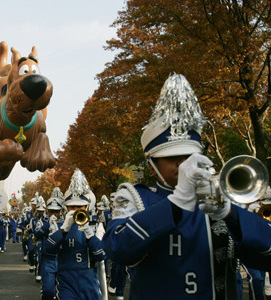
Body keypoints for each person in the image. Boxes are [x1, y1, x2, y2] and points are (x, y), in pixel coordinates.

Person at [102, 73, 271, 299]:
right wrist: (177, 202)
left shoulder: (219, 198)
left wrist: (230, 213)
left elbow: (265, 258)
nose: (185, 165)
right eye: (174, 158)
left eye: (190, 156)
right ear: (152, 166)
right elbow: (118, 250)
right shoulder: (134, 196)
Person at [44, 169, 106, 300]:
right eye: (72, 207)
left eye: (80, 207)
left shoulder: (95, 226)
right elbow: (48, 249)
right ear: (66, 208)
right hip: (66, 278)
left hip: (89, 278)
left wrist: (90, 233)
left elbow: (101, 255)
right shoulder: (59, 225)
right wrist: (64, 229)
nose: (75, 210)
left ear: (87, 208)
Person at [35, 187, 64, 300]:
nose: (54, 214)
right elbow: (37, 234)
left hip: (62, 258)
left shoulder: (65, 222)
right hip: (48, 259)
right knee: (48, 290)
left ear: (60, 211)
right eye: (52, 211)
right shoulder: (43, 222)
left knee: (63, 291)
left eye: (56, 211)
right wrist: (48, 225)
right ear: (48, 211)